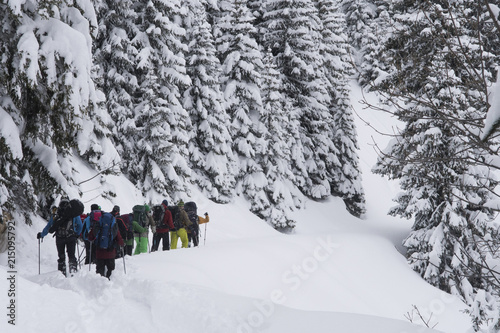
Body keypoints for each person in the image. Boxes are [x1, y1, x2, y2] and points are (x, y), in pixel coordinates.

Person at [37, 199, 84, 276]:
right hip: (71, 237)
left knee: (61, 257)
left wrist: (42, 234)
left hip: (59, 238)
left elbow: (49, 226)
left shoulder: (56, 213)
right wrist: (76, 235)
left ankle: (61, 274)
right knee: (71, 256)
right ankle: (73, 272)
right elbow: (80, 226)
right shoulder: (73, 213)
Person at [88, 210, 124, 279]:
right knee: (111, 270)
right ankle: (109, 282)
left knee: (100, 269)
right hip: (110, 252)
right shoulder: (113, 225)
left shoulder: (98, 224)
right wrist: (121, 244)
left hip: (99, 252)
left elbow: (90, 237)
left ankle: (100, 283)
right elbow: (118, 237)